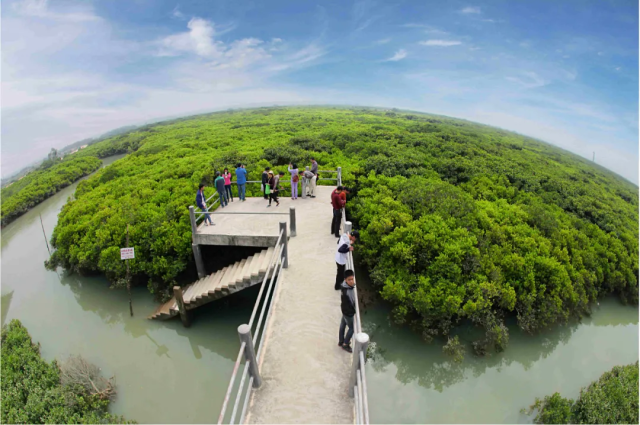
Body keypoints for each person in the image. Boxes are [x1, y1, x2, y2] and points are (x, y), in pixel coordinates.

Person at [338, 269, 356, 352]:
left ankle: (340, 341)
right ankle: (345, 344)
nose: (352, 281)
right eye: (349, 280)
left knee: (342, 324)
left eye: (352, 279)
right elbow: (353, 302)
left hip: (343, 309)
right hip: (348, 312)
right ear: (345, 279)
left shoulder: (343, 285)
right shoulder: (349, 291)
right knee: (352, 328)